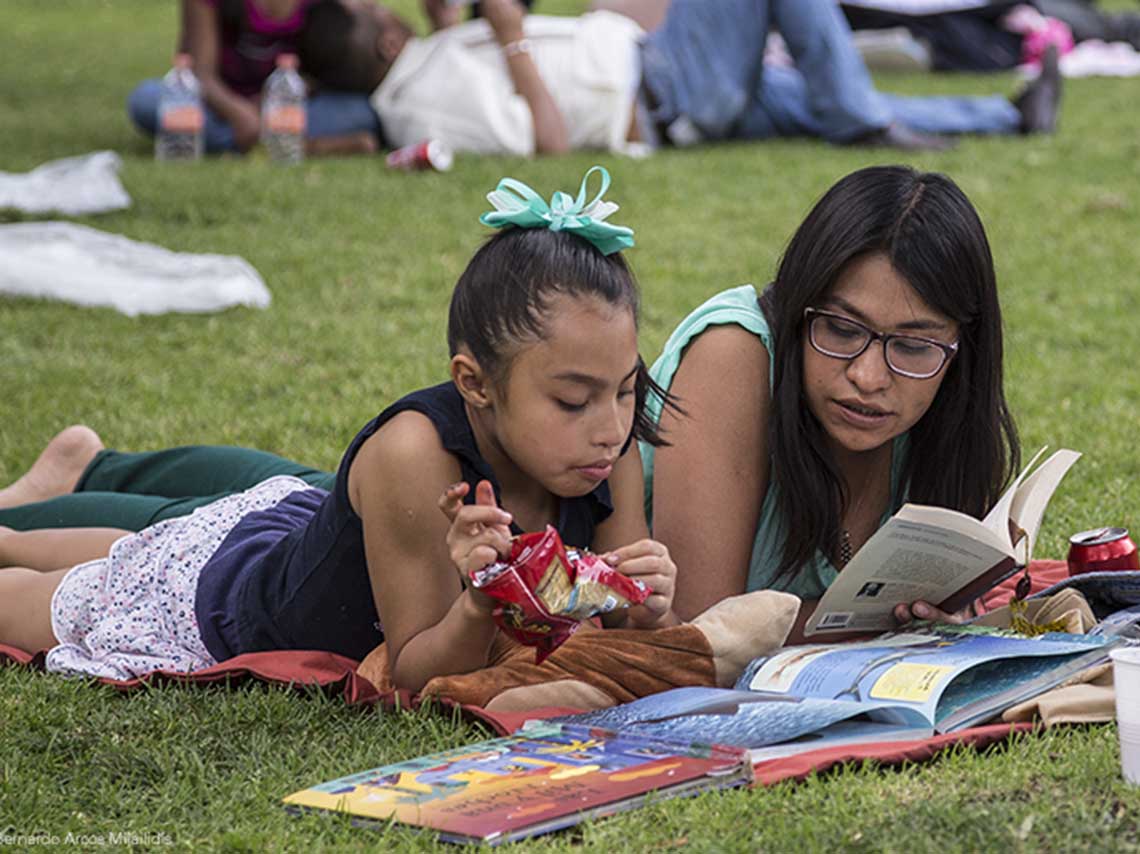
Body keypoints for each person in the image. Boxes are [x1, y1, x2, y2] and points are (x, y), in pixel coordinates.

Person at [0, 166, 680, 691]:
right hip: (226, 606)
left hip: (281, 536)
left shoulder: (607, 443)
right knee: (65, 593)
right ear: (474, 382)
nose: (610, 425)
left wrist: (644, 607)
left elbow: (617, 617)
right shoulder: (416, 456)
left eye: (625, 390)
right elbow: (415, 670)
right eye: (572, 401)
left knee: (144, 545)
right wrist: (478, 607)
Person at [639, 164, 1020, 642]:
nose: (868, 377)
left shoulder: (942, 417)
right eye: (841, 329)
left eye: (913, 346)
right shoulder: (735, 356)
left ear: (962, 351)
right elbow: (699, 639)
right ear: (799, 311)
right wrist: (883, 625)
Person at [295, 0, 1062, 158]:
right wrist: (511, 36)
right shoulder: (423, 103)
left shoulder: (418, 68)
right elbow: (546, 143)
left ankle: (1011, 117)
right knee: (838, 100)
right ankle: (859, 118)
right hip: (667, 87)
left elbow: (450, 36)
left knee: (823, 103)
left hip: (671, 84)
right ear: (385, 39)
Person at [127, 0, 384, 155]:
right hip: (221, 104)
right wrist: (239, 113)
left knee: (362, 111)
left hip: (288, 107)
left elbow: (336, 71)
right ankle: (303, 147)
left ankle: (261, 144)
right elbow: (200, 74)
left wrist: (289, 94)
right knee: (147, 101)